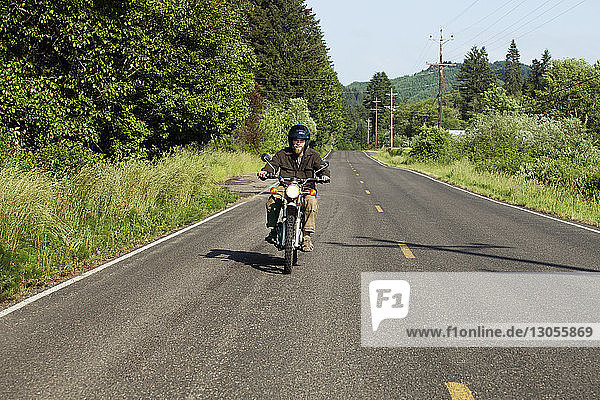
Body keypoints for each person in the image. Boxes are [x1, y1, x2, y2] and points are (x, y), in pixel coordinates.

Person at [257, 124, 330, 252]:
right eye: (296, 140)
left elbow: (321, 168)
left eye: (301, 141)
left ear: (306, 142)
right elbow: (273, 165)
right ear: (291, 141)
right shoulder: (283, 154)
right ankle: (273, 230)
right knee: (272, 200)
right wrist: (265, 171)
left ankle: (307, 237)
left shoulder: (313, 156)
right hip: (285, 186)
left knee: (312, 202)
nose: (298, 143)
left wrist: (324, 175)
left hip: (305, 187)